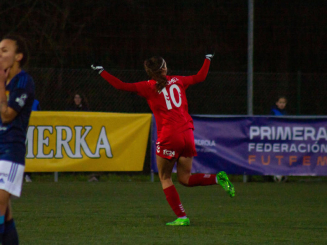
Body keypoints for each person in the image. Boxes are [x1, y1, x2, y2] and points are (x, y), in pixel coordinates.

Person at [91, 54, 235, 226]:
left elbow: (120, 85)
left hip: (169, 135)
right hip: (188, 133)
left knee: (165, 177)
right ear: (165, 68)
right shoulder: (178, 80)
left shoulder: (147, 86)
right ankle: (217, 179)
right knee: (185, 179)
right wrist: (208, 59)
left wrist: (102, 71)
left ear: (150, 73)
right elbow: (200, 77)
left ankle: (182, 217)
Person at [0, 34, 35, 244]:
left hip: (10, 153)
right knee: (4, 215)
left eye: (5, 50)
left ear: (18, 56)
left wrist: (0, 85)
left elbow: (7, 115)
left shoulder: (24, 81)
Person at [270, 96, 288, 182]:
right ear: (277, 103)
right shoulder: (273, 112)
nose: (281, 104)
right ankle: (275, 174)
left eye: (283, 103)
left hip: (283, 138)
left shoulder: (285, 113)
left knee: (283, 155)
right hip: (275, 137)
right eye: (280, 102)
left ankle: (283, 174)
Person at [24, 99, 41, 183]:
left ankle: (27, 174)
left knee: (29, 152)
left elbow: (40, 116)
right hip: (19, 130)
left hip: (32, 131)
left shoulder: (35, 102)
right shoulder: (16, 98)